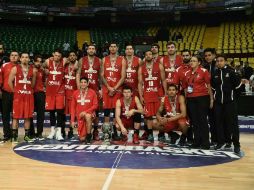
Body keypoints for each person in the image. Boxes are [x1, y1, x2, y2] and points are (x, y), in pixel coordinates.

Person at [212, 55, 248, 154]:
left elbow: (238, 88)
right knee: (219, 123)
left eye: (221, 60)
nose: (219, 62)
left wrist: (232, 99)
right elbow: (213, 89)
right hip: (218, 103)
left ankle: (236, 144)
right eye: (217, 61)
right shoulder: (215, 74)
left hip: (230, 103)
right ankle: (222, 142)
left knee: (233, 124)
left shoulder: (231, 72)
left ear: (225, 61)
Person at [183, 55, 213, 149]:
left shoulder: (204, 71)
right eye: (191, 61)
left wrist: (211, 99)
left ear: (199, 62)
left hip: (202, 98)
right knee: (194, 121)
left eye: (194, 61)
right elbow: (185, 87)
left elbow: (209, 86)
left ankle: (205, 143)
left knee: (202, 120)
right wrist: (186, 98)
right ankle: (196, 142)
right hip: (191, 99)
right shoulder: (187, 73)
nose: (192, 62)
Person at [138, 50, 167, 143]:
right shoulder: (141, 68)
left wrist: (165, 93)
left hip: (158, 94)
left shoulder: (159, 65)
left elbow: (163, 80)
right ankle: (150, 134)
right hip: (147, 94)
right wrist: (141, 96)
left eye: (150, 54)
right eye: (146, 54)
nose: (148, 55)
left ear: (152, 56)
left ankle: (161, 134)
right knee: (148, 116)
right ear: (145, 57)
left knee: (160, 115)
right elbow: (139, 83)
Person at [8, 52, 37, 143]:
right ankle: (14, 136)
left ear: (29, 59)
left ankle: (27, 136)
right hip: (18, 96)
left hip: (28, 96)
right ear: (20, 59)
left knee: (27, 117)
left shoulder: (34, 70)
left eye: (26, 57)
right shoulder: (15, 69)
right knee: (15, 117)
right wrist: (15, 91)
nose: (25, 59)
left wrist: (27, 91)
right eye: (23, 57)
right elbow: (9, 82)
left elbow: (33, 84)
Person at [101, 42, 126, 141]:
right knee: (107, 112)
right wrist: (108, 87)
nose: (112, 48)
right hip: (106, 89)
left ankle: (115, 132)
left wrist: (114, 88)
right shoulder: (104, 59)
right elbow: (102, 75)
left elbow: (123, 76)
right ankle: (107, 133)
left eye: (114, 46)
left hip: (118, 89)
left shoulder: (122, 60)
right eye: (111, 46)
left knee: (116, 111)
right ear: (109, 48)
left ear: (117, 48)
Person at [76, 44, 101, 141]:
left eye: (93, 49)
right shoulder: (82, 60)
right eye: (89, 49)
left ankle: (95, 131)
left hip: (94, 90)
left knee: (96, 112)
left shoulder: (99, 60)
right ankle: (83, 131)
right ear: (87, 50)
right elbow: (78, 74)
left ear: (95, 50)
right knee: (85, 110)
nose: (91, 50)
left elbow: (100, 75)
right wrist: (79, 87)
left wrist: (101, 89)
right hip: (83, 89)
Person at [44, 49, 68, 141]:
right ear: (53, 54)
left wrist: (66, 59)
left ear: (61, 56)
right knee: (51, 112)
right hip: (50, 91)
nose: (57, 57)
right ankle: (52, 131)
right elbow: (42, 66)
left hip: (60, 91)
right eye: (55, 55)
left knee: (60, 112)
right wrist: (45, 69)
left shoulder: (64, 61)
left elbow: (73, 60)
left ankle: (59, 132)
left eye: (59, 56)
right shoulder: (48, 61)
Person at [71, 77, 98, 143]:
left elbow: (95, 105)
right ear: (79, 83)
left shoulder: (92, 92)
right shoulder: (75, 93)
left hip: (90, 114)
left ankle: (89, 135)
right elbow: (73, 107)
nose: (83, 84)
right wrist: (72, 120)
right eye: (82, 82)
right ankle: (85, 134)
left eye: (85, 82)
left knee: (88, 116)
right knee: (82, 139)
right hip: (80, 116)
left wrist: (85, 112)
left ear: (88, 83)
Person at [0, 51, 19, 142]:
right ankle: (7, 134)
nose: (14, 57)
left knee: (16, 115)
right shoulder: (4, 66)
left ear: (18, 57)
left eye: (16, 55)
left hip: (18, 94)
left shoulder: (21, 67)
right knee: (5, 115)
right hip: (6, 93)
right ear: (9, 57)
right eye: (12, 55)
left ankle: (14, 134)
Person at [29, 55, 46, 140]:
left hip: (40, 94)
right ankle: (31, 132)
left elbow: (43, 81)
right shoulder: (29, 69)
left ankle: (39, 133)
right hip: (30, 93)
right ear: (33, 61)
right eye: (37, 61)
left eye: (40, 61)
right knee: (30, 114)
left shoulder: (42, 70)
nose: (38, 63)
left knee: (41, 114)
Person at [203, 48, 217, 146]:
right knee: (205, 119)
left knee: (215, 119)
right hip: (204, 96)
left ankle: (217, 139)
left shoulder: (218, 65)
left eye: (209, 55)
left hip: (217, 97)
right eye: (206, 55)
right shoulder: (203, 67)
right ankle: (206, 139)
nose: (208, 57)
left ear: (213, 55)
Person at [64, 51, 78, 139]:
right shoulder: (65, 65)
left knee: (73, 114)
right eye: (70, 55)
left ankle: (71, 130)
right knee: (63, 113)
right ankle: (61, 130)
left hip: (74, 93)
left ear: (76, 57)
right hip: (64, 93)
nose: (72, 57)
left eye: (74, 55)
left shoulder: (78, 67)